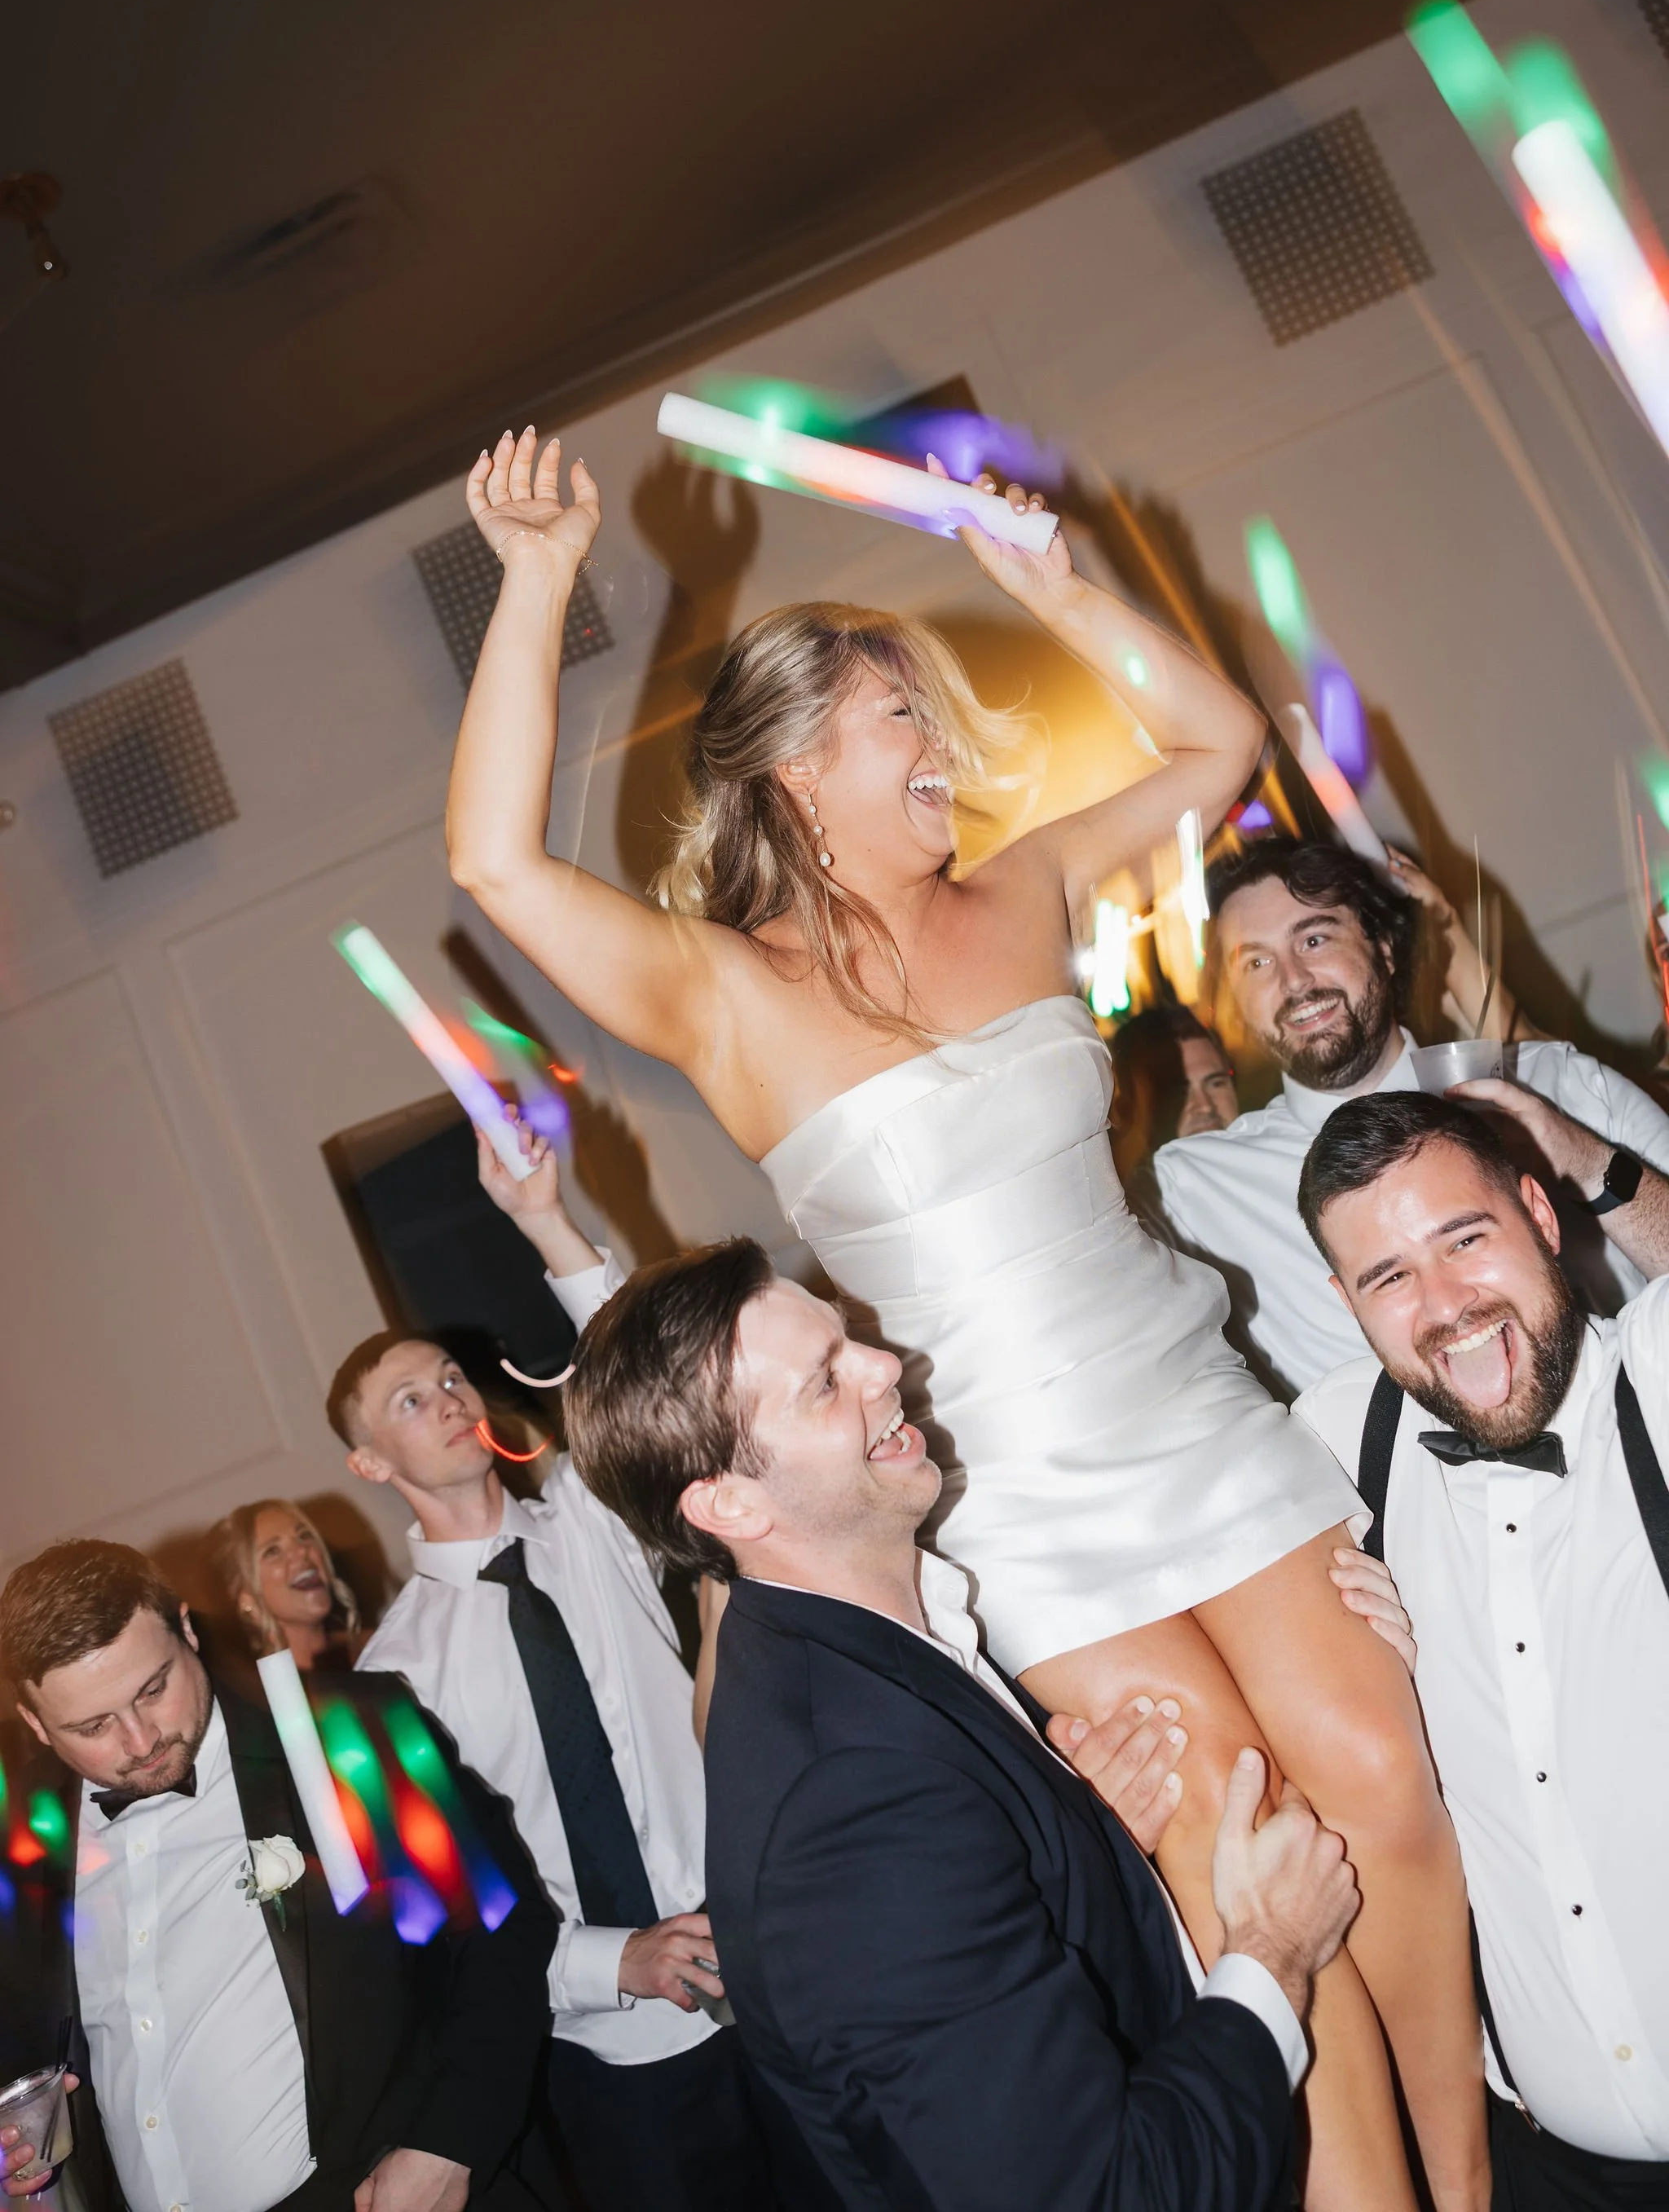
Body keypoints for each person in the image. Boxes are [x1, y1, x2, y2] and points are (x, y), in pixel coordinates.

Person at [442, 423, 1487, 2210]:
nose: (938, 745)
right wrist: (538, 577)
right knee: (1244, 1848)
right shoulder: (724, 995)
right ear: (792, 772)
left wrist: (1061, 589)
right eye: (894, 719)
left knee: (1381, 1777)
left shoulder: (1020, 886)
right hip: (1018, 1495)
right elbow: (493, 866)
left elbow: (1216, 744)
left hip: (1193, 1407)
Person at [556, 1236, 1362, 2210]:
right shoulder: (846, 1809)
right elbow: (1110, 2196)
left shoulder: (848, 1652)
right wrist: (1272, 1951)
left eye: (847, 1339)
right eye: (825, 1382)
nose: (885, 1365)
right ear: (729, 1503)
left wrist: (1068, 1840)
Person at [333, 1138, 778, 2212]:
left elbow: (650, 1372)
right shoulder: (391, 1676)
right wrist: (609, 1962)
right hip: (611, 2064)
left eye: (449, 1378)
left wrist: (544, 1218)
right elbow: (440, 1913)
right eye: (409, 1401)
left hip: (776, 1957)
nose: (448, 1398)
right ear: (370, 1464)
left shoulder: (588, 1517)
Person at [1292, 1091, 1669, 2208]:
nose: (1445, 1304)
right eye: (1388, 1277)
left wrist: (1599, 1164)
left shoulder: (1655, 1379)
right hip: (1542, 2171)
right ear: (1345, 1305)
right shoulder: (1337, 1444)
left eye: (1465, 1239)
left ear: (1541, 1219)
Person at [0, 1537, 554, 2212]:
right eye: (93, 1726)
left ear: (186, 1630)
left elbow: (502, 1929)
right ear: (35, 1724)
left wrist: (450, 2144)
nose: (141, 1741)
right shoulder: (23, 1832)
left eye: (154, 1689)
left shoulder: (344, 1733)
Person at [1155, 837, 1669, 1395]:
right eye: (1256, 962)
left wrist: (1580, 1161)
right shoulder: (1193, 1188)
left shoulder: (1559, 1084)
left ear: (1384, 949)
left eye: (1314, 938)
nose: (1294, 980)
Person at [207, 1499, 365, 1672]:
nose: (302, 1550)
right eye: (272, 1551)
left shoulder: (376, 1651)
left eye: (304, 1536)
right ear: (246, 1599)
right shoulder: (254, 1686)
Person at [1108, 1002, 1238, 1205]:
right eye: (1179, 1092)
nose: (1205, 1106)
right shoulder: (1131, 1215)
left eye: (1216, 1083)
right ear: (1126, 1111)